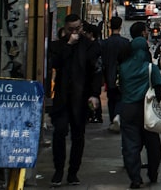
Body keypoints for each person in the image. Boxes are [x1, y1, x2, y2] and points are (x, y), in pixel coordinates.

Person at [48, 13, 103, 186]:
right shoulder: (58, 45)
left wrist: (94, 94)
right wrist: (69, 45)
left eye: (78, 29)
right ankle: (58, 170)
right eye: (71, 29)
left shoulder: (90, 46)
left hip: (81, 98)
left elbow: (96, 72)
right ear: (65, 29)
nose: (75, 32)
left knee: (78, 136)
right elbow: (53, 64)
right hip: (62, 98)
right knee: (59, 133)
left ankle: (73, 172)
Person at [117, 21, 161, 189]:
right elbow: (159, 87)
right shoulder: (150, 67)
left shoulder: (123, 68)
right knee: (153, 144)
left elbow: (120, 87)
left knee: (130, 144)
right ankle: (152, 173)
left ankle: (135, 178)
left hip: (128, 108)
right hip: (146, 109)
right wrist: (155, 103)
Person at [101, 16, 131, 133]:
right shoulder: (125, 43)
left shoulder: (105, 43)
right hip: (122, 75)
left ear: (110, 26)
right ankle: (118, 116)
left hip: (109, 74)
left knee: (111, 98)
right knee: (121, 97)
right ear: (120, 26)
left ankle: (113, 119)